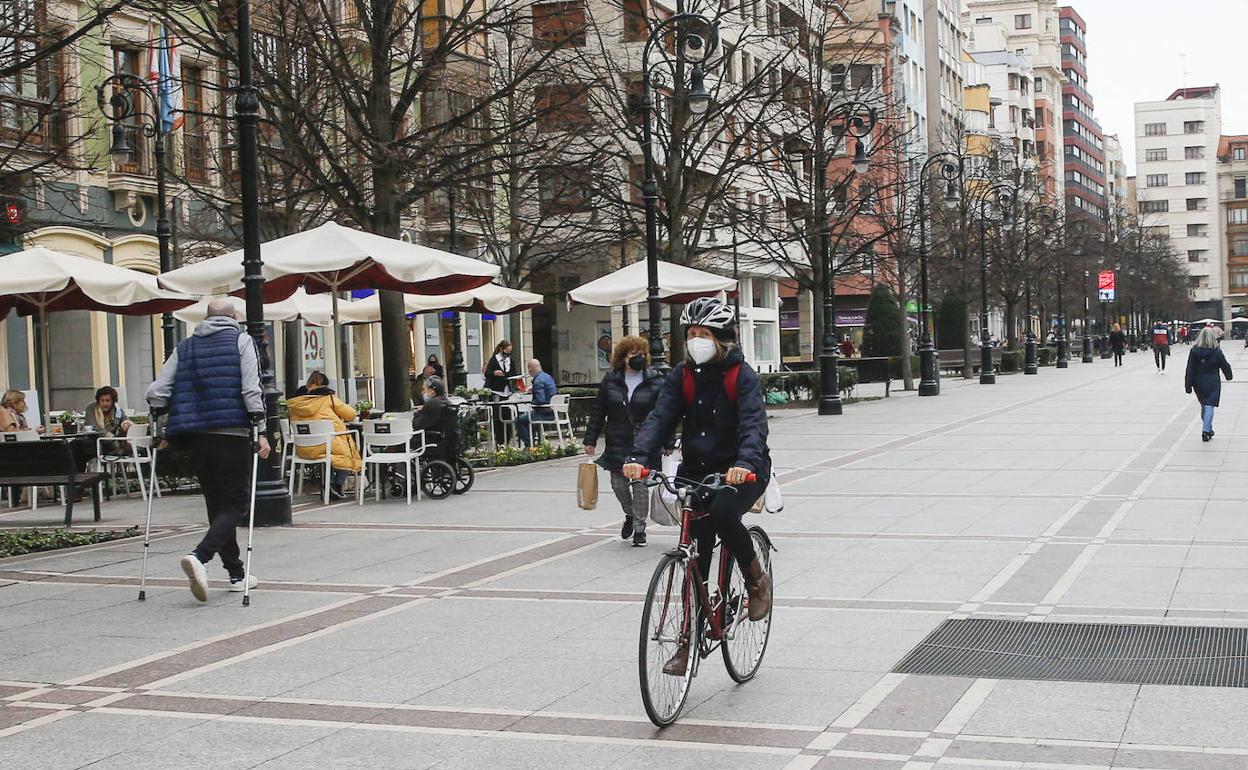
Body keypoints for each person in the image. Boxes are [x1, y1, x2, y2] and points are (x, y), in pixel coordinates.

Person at [623, 297, 772, 676]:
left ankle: (756, 579)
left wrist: (743, 463)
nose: (695, 341)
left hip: (743, 469)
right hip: (697, 470)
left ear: (721, 338)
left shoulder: (743, 377)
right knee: (696, 550)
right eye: (690, 334)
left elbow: (754, 426)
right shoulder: (682, 375)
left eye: (703, 334)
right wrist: (639, 458)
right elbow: (660, 417)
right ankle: (688, 640)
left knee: (723, 513)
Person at [146, 298, 270, 602]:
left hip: (196, 437)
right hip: (232, 432)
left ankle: (236, 573)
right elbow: (251, 388)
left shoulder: (184, 346)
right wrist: (261, 429)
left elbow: (157, 391)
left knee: (217, 504)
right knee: (237, 503)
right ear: (235, 317)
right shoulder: (242, 341)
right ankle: (199, 556)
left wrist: (158, 421)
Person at [583, 336, 665, 547]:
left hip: (644, 442)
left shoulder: (655, 380)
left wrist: (667, 440)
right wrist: (590, 439)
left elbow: (664, 413)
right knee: (618, 485)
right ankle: (629, 514)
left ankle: (639, 528)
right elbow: (598, 411)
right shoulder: (611, 380)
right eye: (632, 354)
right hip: (617, 440)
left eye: (641, 354)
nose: (637, 357)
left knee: (640, 485)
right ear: (622, 357)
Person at [286, 370, 362, 499]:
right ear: (325, 385)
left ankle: (329, 485)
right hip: (325, 445)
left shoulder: (295, 402)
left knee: (333, 450)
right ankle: (336, 485)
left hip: (303, 449)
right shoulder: (328, 397)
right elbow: (351, 415)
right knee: (346, 452)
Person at [1186, 326, 1233, 442]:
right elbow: (1224, 365)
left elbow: (1190, 368)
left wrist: (1188, 384)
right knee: (1209, 405)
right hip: (1212, 381)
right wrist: (1229, 376)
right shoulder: (1216, 351)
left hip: (1199, 382)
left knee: (1204, 405)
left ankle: (1208, 428)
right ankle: (1206, 430)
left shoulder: (1194, 351)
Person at [515, 359, 557, 448]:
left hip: (544, 413)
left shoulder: (538, 381)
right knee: (528, 417)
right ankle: (535, 442)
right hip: (553, 411)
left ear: (530, 369)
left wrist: (530, 403)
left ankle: (529, 444)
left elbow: (540, 400)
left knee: (519, 420)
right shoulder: (547, 377)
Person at [85, 385, 133, 454]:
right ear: (98, 400)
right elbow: (93, 426)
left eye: (108, 401)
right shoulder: (91, 408)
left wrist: (126, 424)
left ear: (113, 401)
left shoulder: (117, 410)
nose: (105, 404)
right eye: (102, 400)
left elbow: (125, 419)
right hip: (93, 442)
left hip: (112, 444)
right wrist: (110, 437)